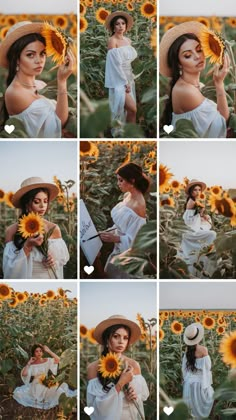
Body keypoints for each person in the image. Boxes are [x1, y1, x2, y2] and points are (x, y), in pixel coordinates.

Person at [0, 21, 75, 138]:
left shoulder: (40, 84)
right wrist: (62, 81)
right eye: (30, 55)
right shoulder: (14, 93)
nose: (39, 60)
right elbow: (58, 124)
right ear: (16, 59)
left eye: (42, 53)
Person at [160, 21, 230, 138]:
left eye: (199, 50)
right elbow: (223, 123)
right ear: (178, 64)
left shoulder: (197, 85)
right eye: (188, 55)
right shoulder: (186, 91)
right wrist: (219, 83)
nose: (197, 56)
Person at [3, 177, 69, 279]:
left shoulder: (54, 228)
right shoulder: (11, 231)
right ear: (26, 204)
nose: (42, 206)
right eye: (37, 202)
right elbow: (9, 270)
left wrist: (53, 260)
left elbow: (62, 260)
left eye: (45, 201)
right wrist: (27, 246)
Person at [87, 315, 149, 419]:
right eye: (116, 336)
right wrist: (121, 383)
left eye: (125, 338)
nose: (121, 341)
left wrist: (134, 396)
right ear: (107, 339)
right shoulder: (93, 368)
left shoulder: (133, 365)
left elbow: (142, 397)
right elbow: (96, 408)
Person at [100, 162, 150, 278]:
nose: (118, 184)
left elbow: (137, 242)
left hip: (126, 256)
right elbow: (122, 224)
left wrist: (116, 238)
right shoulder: (128, 195)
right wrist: (108, 231)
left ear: (132, 181)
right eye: (118, 180)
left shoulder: (139, 206)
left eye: (121, 180)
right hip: (117, 250)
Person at [13, 343, 76, 409]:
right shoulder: (32, 364)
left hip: (46, 381)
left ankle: (68, 404)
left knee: (59, 389)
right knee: (55, 390)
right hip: (37, 385)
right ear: (34, 353)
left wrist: (49, 351)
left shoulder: (47, 360)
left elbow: (58, 360)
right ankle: (67, 406)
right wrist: (28, 363)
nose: (39, 353)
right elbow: (24, 374)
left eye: (40, 351)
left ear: (43, 352)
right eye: (36, 351)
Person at [105, 11, 137, 133]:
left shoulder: (128, 40)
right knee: (132, 109)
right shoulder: (112, 41)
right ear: (113, 27)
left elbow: (128, 60)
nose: (120, 26)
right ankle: (125, 133)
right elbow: (114, 64)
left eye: (123, 23)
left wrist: (130, 77)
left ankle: (130, 134)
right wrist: (124, 82)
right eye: (117, 24)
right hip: (119, 79)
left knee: (131, 110)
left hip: (129, 77)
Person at [178, 179, 216, 278]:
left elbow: (195, 217)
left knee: (208, 228)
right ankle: (205, 257)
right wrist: (200, 214)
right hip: (191, 231)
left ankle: (202, 257)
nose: (198, 192)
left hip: (193, 228)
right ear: (190, 191)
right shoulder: (191, 203)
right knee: (212, 234)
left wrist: (202, 215)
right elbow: (188, 220)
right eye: (195, 190)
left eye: (199, 190)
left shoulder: (194, 201)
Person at [182, 323, 214, 419]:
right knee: (202, 403)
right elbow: (208, 368)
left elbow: (184, 369)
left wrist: (185, 380)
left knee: (191, 406)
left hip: (189, 383)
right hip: (200, 383)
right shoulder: (204, 350)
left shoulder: (187, 352)